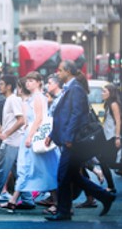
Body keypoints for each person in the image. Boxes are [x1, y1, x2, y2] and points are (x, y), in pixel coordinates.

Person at [46, 60, 117, 221]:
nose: (58, 73)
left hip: (72, 141)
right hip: (66, 138)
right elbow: (62, 115)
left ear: (68, 72)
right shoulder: (70, 88)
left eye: (60, 70)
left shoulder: (75, 89)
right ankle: (105, 197)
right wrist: (52, 134)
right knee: (72, 175)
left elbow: (77, 115)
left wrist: (69, 137)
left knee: (63, 175)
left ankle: (63, 211)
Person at [8, 72, 58, 210]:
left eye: (31, 81)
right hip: (31, 134)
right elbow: (30, 119)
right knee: (28, 167)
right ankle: (13, 199)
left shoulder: (38, 97)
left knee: (40, 168)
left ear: (38, 82)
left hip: (35, 136)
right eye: (27, 81)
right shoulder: (31, 98)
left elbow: (39, 118)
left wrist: (29, 135)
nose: (27, 83)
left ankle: (57, 201)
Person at [0, 75, 26, 210]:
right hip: (13, 141)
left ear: (9, 86)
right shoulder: (9, 100)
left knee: (1, 171)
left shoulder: (12, 100)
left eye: (2, 84)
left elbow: (21, 120)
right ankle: (28, 199)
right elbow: (7, 124)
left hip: (12, 142)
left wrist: (5, 135)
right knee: (18, 172)